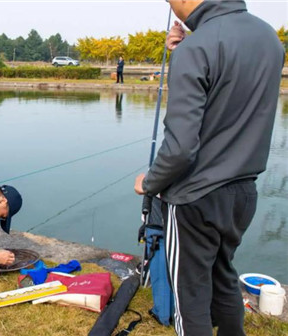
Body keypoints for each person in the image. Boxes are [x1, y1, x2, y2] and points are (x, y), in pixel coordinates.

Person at [133, 1, 284, 336]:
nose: (173, 10)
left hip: (193, 199)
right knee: (223, 275)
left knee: (190, 299)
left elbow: (180, 150)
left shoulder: (197, 48)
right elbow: (229, 92)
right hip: (243, 193)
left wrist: (150, 183)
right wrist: (188, 48)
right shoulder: (269, 38)